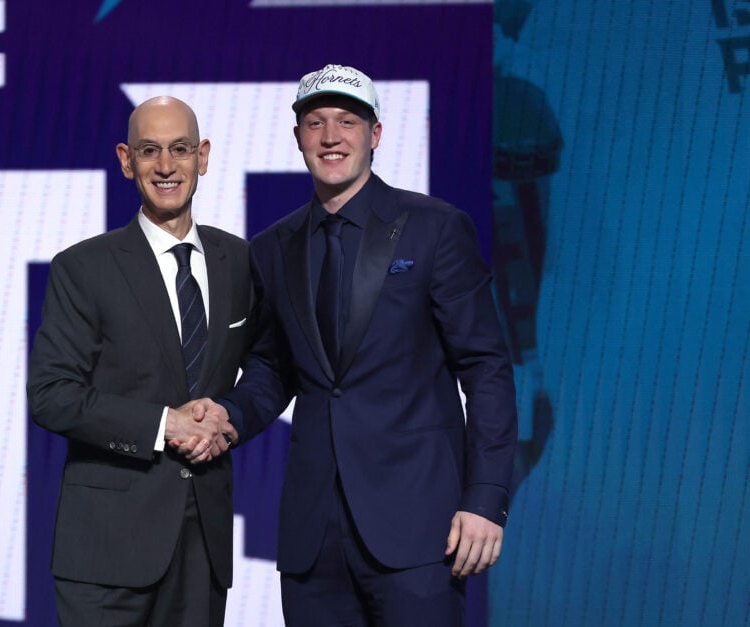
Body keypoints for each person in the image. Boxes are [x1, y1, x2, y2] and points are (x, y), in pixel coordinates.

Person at [189, 64, 518, 625]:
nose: (331, 136)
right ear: (299, 139)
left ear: (376, 134)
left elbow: (485, 368)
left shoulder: (435, 228)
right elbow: (274, 369)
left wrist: (485, 499)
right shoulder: (272, 247)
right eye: (315, 123)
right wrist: (228, 414)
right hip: (313, 537)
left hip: (420, 529)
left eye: (347, 121)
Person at [27, 96, 251, 627]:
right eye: (150, 151)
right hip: (106, 552)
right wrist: (163, 424)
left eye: (179, 149)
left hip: (203, 547)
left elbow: (271, 367)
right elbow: (52, 394)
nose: (166, 166)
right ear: (127, 160)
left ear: (204, 156)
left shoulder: (239, 261)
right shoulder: (83, 268)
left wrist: (229, 417)